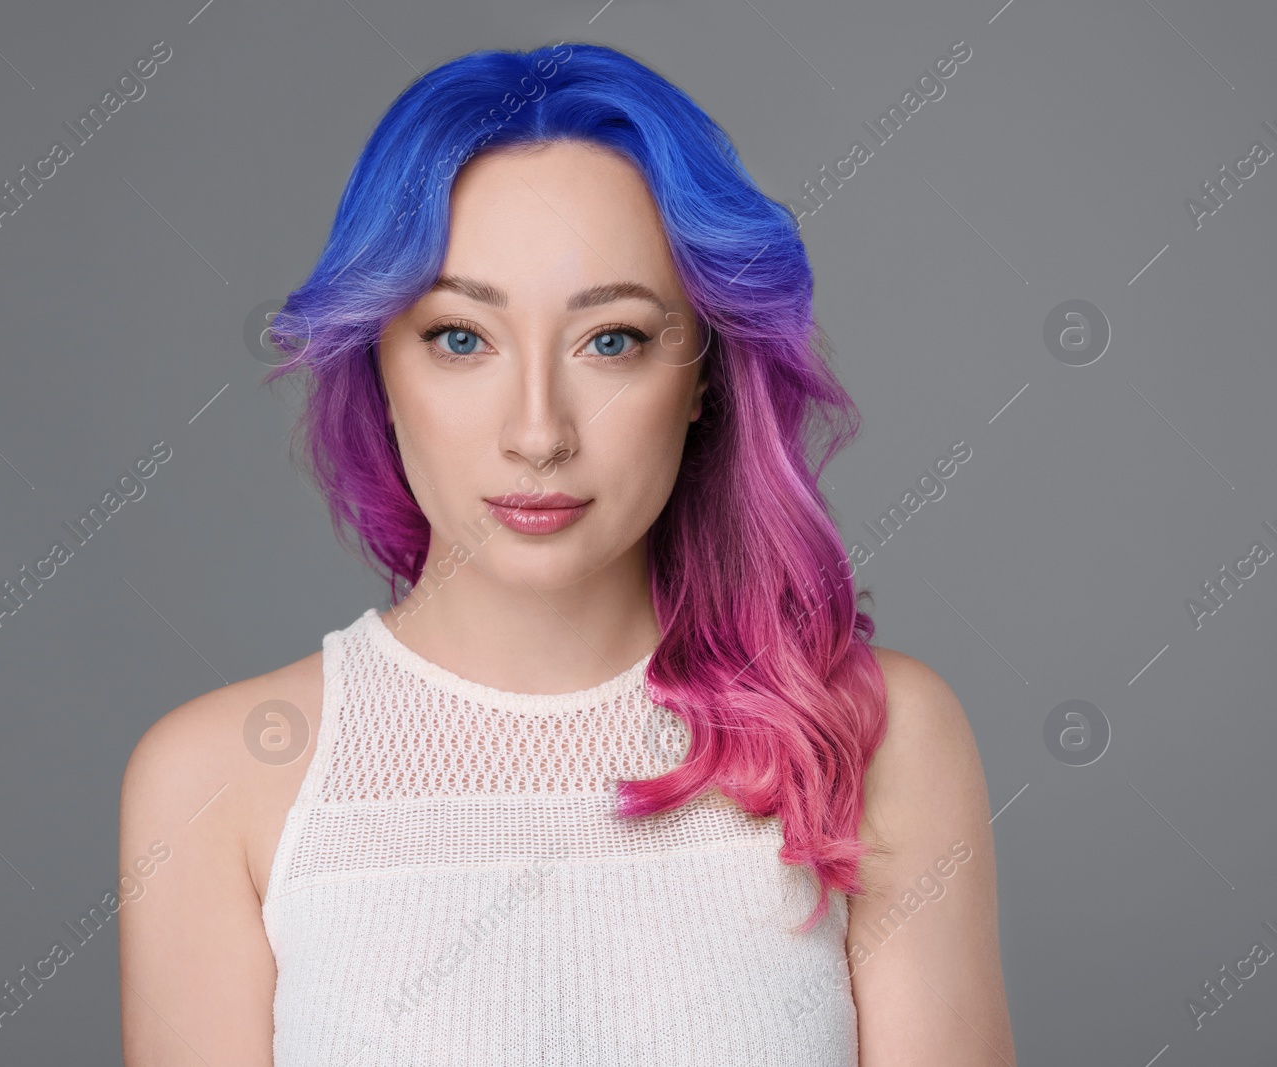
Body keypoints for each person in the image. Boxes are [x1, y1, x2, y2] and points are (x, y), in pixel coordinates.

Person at [119, 40, 1015, 1066]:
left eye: (612, 340)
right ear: (379, 364)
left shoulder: (875, 739)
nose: (537, 433)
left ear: (706, 376)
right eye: (460, 337)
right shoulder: (212, 782)